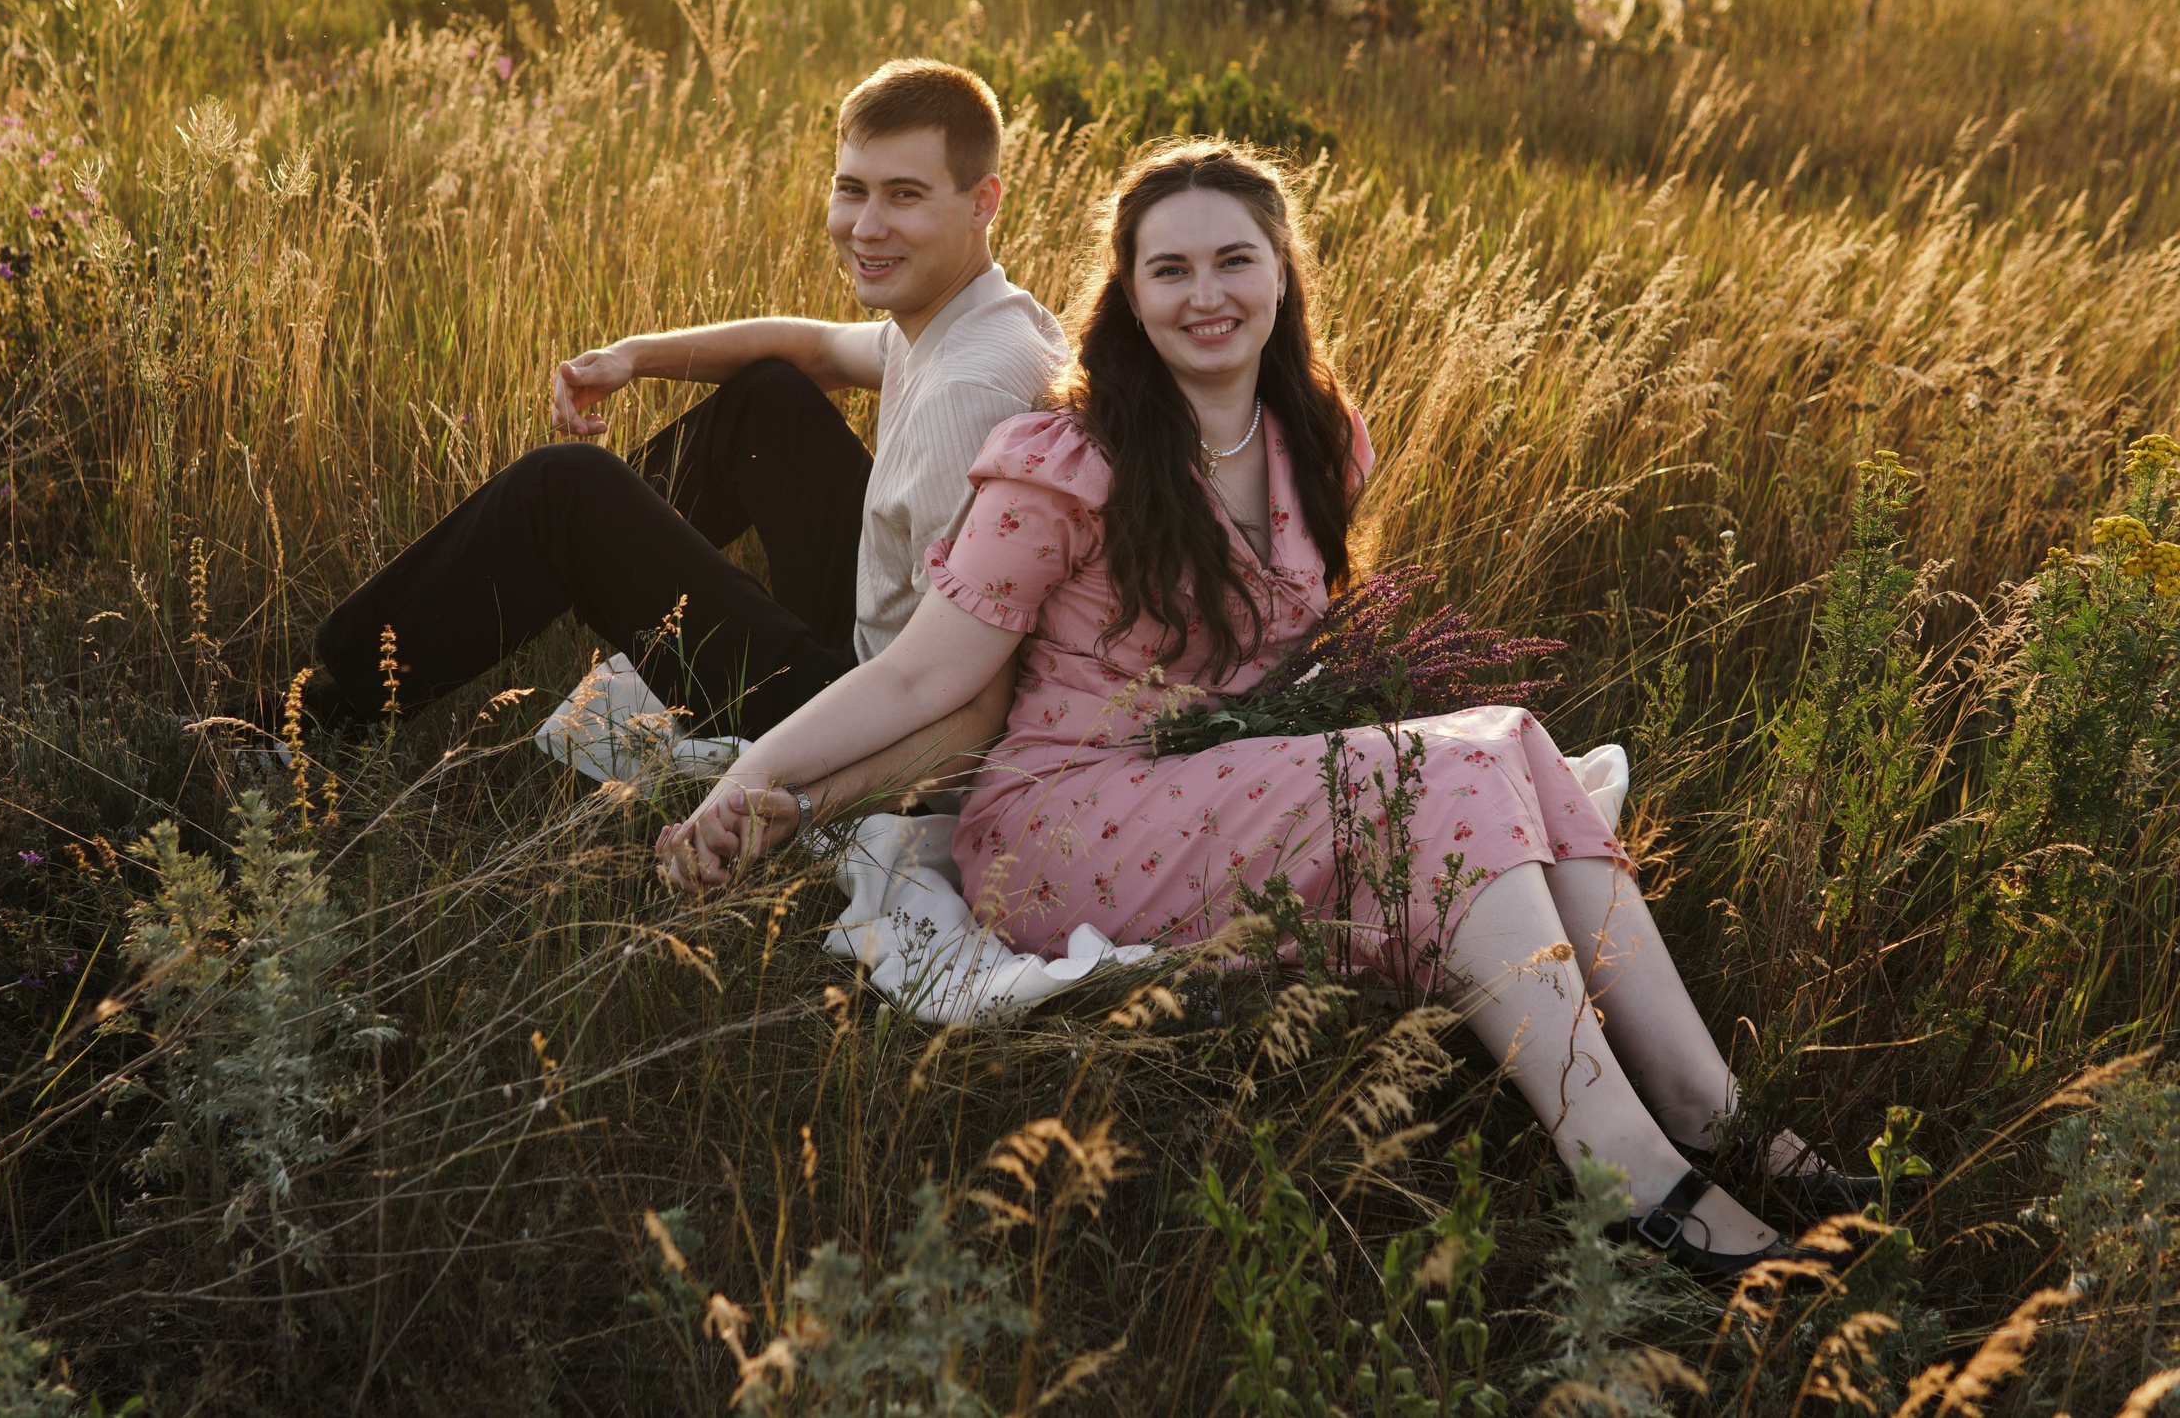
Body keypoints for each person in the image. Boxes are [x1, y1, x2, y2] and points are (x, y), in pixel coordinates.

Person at [662, 140, 1878, 1277]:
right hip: (1060, 824)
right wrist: (746, 784)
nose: (1207, 294)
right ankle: (1628, 1167)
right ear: (1128, 295)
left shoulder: (1318, 438)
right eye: (1169, 268)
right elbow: (921, 677)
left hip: (1214, 787)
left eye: (1234, 260)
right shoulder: (1064, 461)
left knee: (1506, 737)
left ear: (1282, 276)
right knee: (1444, 777)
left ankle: (1707, 1106)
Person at [301, 59, 1066, 814]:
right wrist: (636, 356)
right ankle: (583, 571)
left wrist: (801, 798)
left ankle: (310, 722)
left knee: (564, 490)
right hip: (883, 633)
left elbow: (963, 697)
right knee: (769, 394)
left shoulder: (969, 396)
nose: (866, 226)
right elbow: (817, 348)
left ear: (982, 201)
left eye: (906, 195)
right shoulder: (980, 312)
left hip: (861, 714)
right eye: (851, 189)